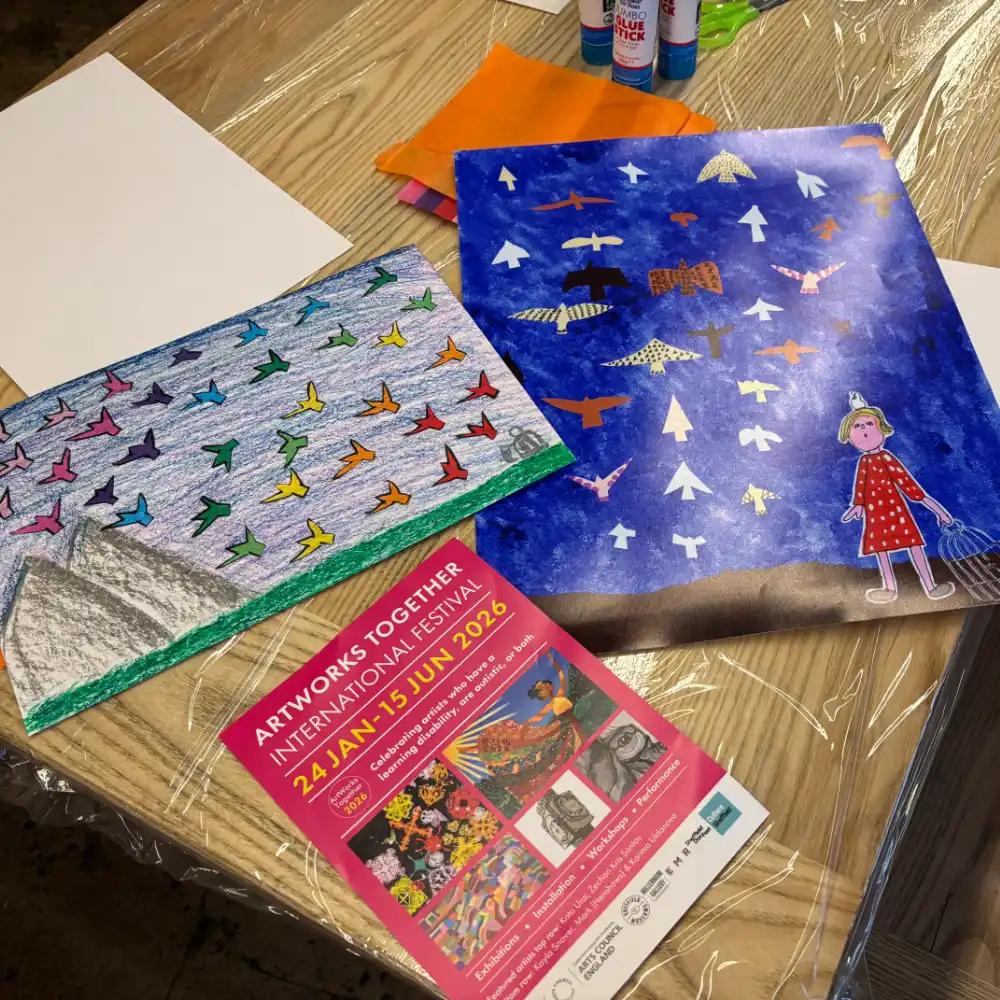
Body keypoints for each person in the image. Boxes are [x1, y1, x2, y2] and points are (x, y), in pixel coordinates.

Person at [839, 391, 955, 604]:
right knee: (881, 550)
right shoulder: (864, 463)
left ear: (882, 430)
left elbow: (909, 486)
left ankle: (930, 586)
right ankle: (889, 588)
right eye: (858, 426)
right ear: (850, 436)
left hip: (897, 512)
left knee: (914, 545)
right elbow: (860, 487)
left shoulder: (886, 458)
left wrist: (939, 511)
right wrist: (858, 505)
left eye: (869, 424)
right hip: (875, 516)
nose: (864, 430)